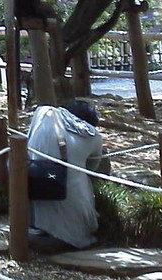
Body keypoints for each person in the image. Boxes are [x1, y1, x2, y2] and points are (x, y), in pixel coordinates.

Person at [26, 100, 104, 249]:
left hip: (36, 183)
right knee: (79, 178)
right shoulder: (93, 136)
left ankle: (37, 228)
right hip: (74, 204)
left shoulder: (43, 112)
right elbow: (93, 168)